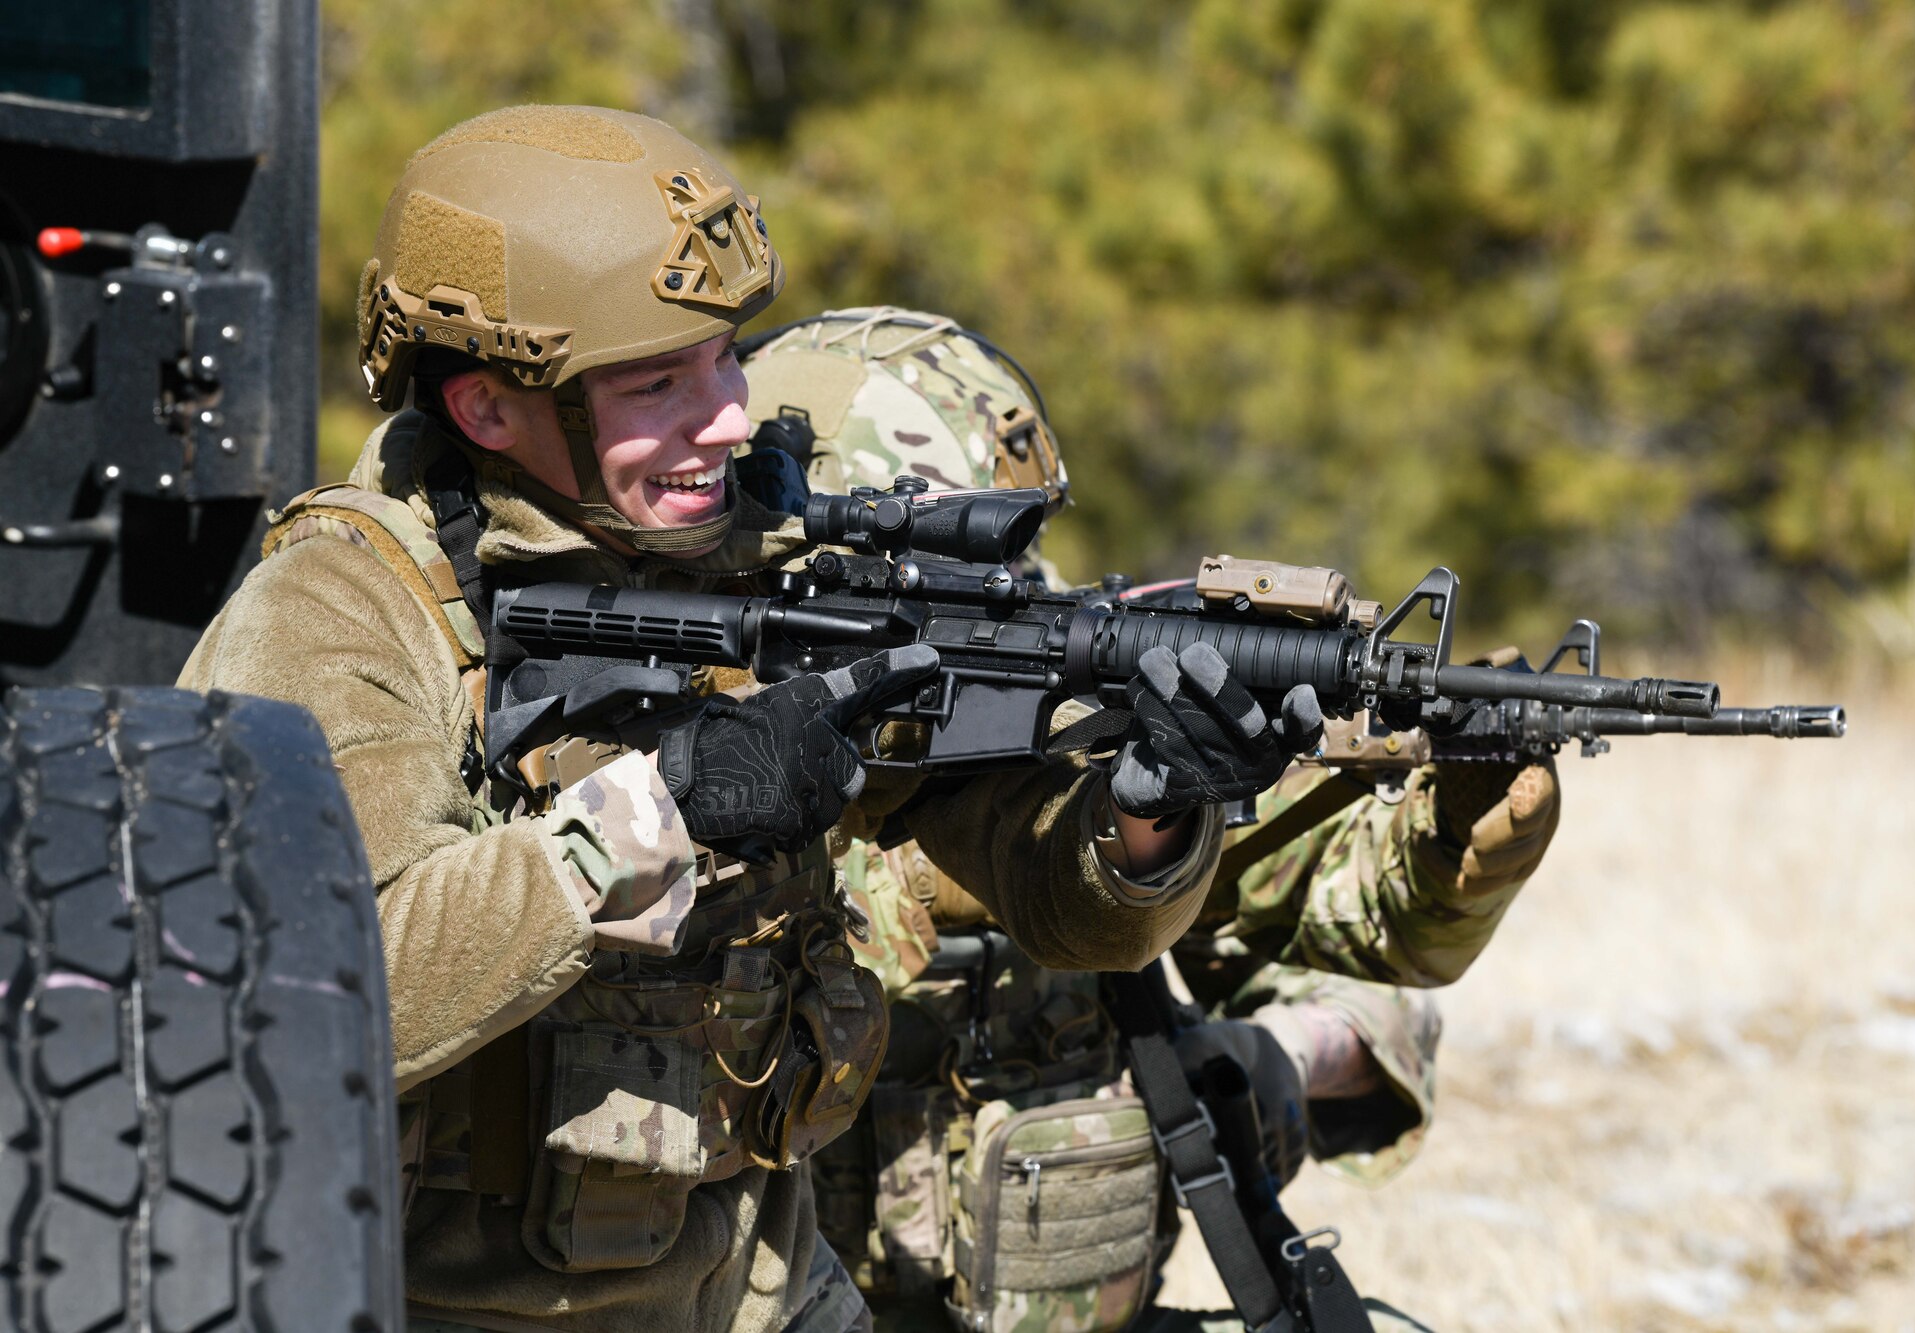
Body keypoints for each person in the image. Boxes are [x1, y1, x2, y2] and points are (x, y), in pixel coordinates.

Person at [178, 109, 1328, 1333]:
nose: (727, 417)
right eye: (658, 383)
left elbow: (1056, 894)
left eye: (726, 358)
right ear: (488, 408)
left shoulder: (755, 563)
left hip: (762, 1287)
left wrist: (1152, 802)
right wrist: (657, 817)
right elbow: (294, 999)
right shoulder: (343, 613)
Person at [739, 309, 1561, 1332]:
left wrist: (1276, 1052)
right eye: (930, 542)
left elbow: (1358, 946)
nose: (1003, 581)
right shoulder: (695, 750)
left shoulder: (1074, 704)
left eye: (1012, 531)